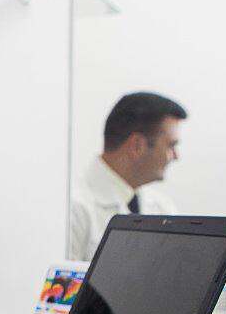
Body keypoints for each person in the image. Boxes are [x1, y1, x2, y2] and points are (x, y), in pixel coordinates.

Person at [69, 92, 186, 261]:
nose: (176, 156)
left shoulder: (163, 208)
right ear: (137, 146)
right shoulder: (73, 207)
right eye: (171, 146)